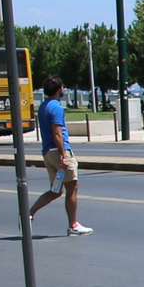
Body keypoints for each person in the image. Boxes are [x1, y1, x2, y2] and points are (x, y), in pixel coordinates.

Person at [25, 77, 91, 234]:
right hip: (58, 151)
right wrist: (63, 155)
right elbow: (57, 134)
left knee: (56, 190)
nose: (64, 89)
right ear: (59, 89)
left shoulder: (44, 106)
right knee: (72, 187)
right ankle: (73, 225)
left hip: (48, 152)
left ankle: (28, 214)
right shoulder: (56, 108)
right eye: (63, 87)